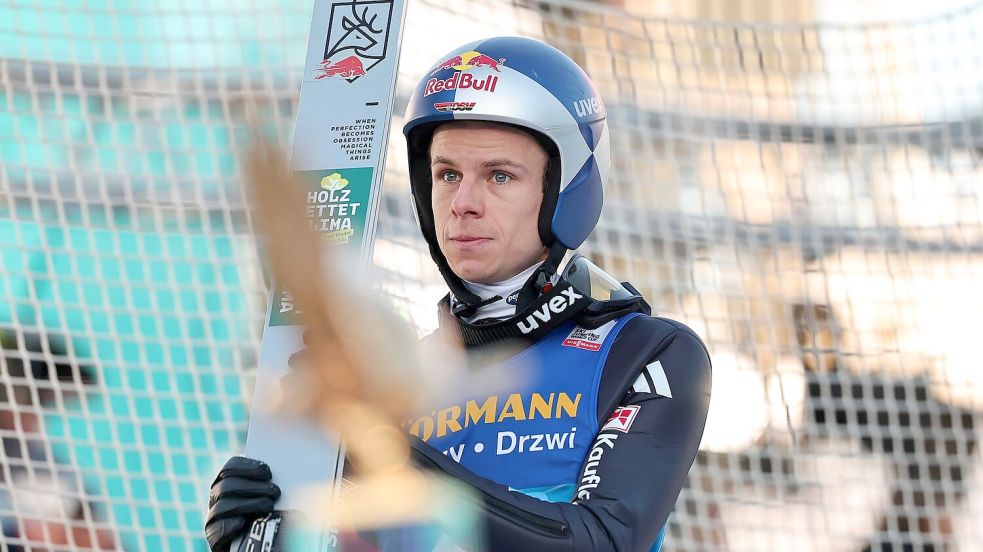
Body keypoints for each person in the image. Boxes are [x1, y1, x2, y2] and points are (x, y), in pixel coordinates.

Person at [206, 37, 711, 551]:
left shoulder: (644, 353)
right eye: (448, 174)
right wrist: (269, 533)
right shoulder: (396, 379)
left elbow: (601, 541)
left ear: (564, 190)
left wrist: (386, 451)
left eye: (499, 175)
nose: (463, 203)